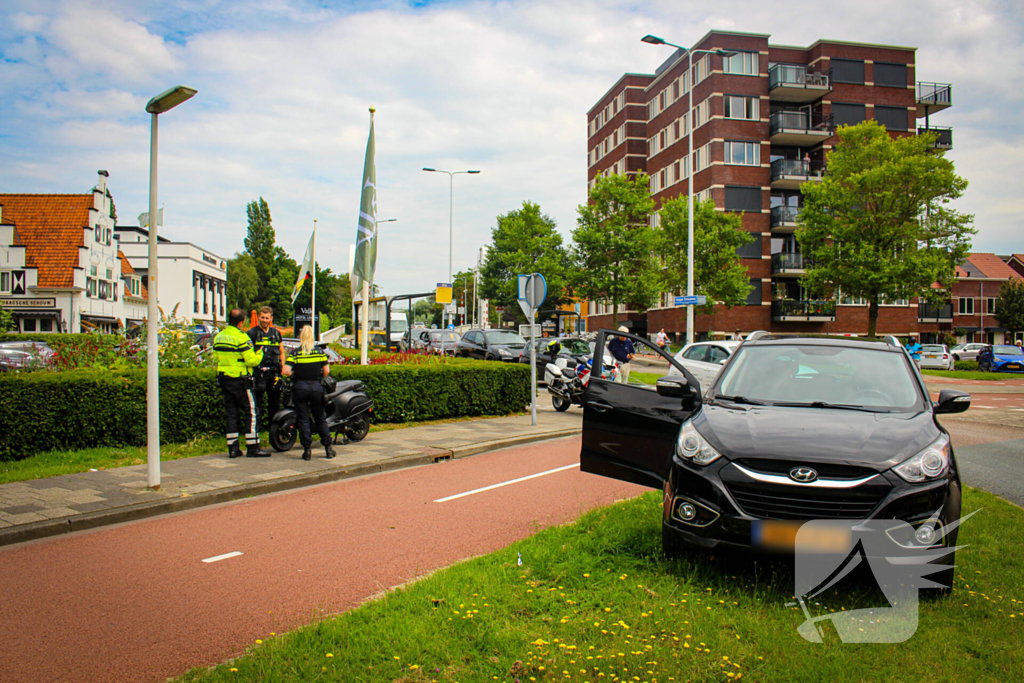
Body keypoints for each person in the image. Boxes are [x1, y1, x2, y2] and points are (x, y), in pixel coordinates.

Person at [214, 308, 271, 458]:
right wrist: (261, 352)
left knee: (231, 413)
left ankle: (233, 448)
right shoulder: (242, 338)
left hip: (224, 378)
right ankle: (253, 447)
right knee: (251, 412)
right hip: (240, 380)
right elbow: (251, 361)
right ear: (241, 322)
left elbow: (216, 356)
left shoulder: (219, 337)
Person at [282, 324, 335, 461]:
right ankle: (328, 449)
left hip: (300, 388)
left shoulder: (296, 353)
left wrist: (295, 372)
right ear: (312, 337)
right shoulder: (319, 352)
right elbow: (327, 371)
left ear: (301, 337)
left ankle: (307, 450)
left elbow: (286, 371)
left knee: (303, 419)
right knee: (320, 418)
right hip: (316, 387)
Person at [248, 306, 284, 431]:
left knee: (275, 405)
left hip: (273, 374)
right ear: (258, 317)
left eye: (267, 318)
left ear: (271, 318)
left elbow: (281, 352)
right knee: (257, 405)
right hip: (258, 374)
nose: (264, 320)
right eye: (262, 317)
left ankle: (274, 431)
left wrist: (283, 369)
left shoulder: (276, 333)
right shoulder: (252, 333)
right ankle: (256, 431)